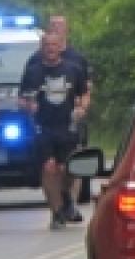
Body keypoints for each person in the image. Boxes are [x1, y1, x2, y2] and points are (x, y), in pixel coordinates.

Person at [25, 15, 92, 222]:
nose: (50, 48)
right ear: (42, 46)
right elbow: (23, 97)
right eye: (47, 45)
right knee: (49, 168)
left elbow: (85, 92)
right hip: (43, 126)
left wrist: (82, 108)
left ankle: (66, 197)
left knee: (69, 167)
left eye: (54, 45)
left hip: (68, 124)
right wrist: (29, 106)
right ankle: (57, 212)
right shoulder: (33, 67)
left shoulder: (75, 65)